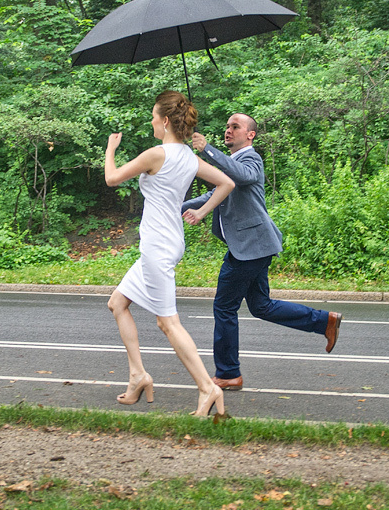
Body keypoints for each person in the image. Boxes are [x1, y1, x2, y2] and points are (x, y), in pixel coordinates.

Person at [181, 114, 342, 391]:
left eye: (235, 127)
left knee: (224, 307)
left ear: (250, 135)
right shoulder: (231, 165)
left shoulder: (250, 159)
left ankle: (229, 373)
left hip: (250, 247)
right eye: (227, 126)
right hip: (253, 246)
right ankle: (324, 321)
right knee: (261, 306)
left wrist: (207, 149)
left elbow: (241, 176)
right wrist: (176, 204)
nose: (228, 130)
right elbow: (214, 195)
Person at [105, 90, 236, 417]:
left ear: (165, 121)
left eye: (153, 116)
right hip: (169, 241)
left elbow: (111, 178)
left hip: (157, 248)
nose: (151, 121)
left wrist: (110, 149)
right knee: (117, 303)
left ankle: (208, 388)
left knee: (168, 323)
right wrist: (202, 213)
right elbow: (226, 184)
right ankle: (138, 375)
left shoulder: (156, 154)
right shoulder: (190, 159)